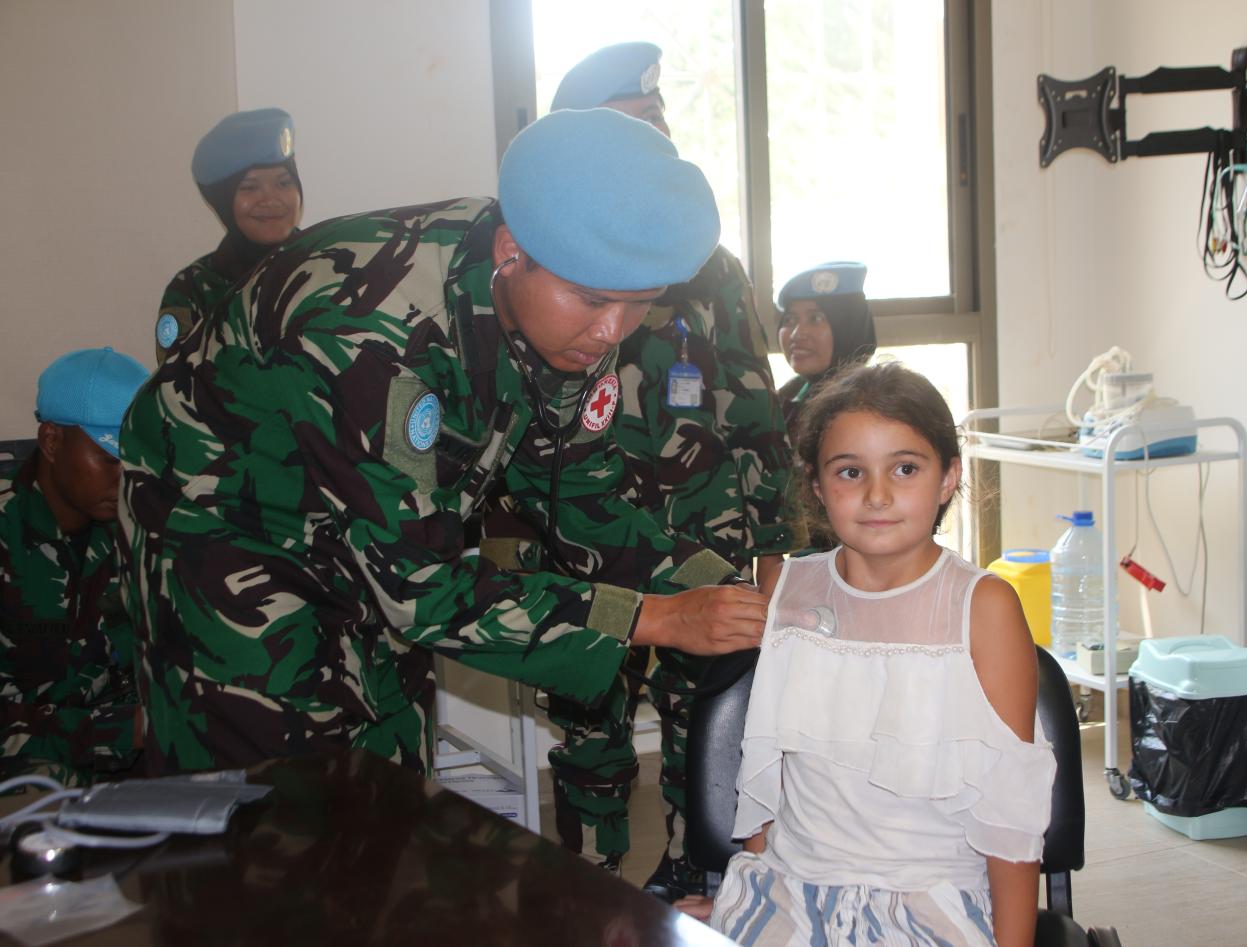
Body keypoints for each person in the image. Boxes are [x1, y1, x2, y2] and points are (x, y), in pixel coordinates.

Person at [117, 107, 769, 777]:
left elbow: (584, 496)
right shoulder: (370, 333)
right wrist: (653, 619)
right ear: (510, 252)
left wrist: (732, 592)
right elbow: (420, 589)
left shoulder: (566, 310)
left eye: (641, 303)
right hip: (225, 524)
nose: (613, 332)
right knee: (273, 780)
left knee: (388, 746)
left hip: (371, 526)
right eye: (595, 301)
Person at [481, 40, 798, 889]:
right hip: (580, 532)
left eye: (656, 121)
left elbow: (754, 404)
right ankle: (592, 875)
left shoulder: (708, 266)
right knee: (589, 716)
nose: (649, 139)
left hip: (695, 531)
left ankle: (698, 869)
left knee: (708, 711)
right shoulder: (545, 260)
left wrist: (776, 544)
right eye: (627, 123)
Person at [681, 362, 1054, 947]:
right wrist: (746, 898)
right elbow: (768, 770)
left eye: (905, 468)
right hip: (790, 888)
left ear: (949, 477)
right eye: (850, 472)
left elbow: (1012, 816)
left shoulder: (983, 606)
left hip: (932, 901)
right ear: (816, 485)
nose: (877, 495)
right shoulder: (789, 590)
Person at [1, 347, 149, 785]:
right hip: (30, 772)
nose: (125, 477)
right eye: (110, 459)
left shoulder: (138, 528)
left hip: (127, 761)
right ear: (51, 442)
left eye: (135, 459)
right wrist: (117, 732)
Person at [154, 108, 303, 361]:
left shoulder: (332, 266)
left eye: (284, 183)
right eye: (250, 187)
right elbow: (177, 377)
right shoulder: (192, 290)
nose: (270, 199)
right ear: (222, 201)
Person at [775, 261, 878, 446]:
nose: (796, 334)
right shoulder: (790, 395)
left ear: (849, 328)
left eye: (815, 318)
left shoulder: (867, 407)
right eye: (789, 319)